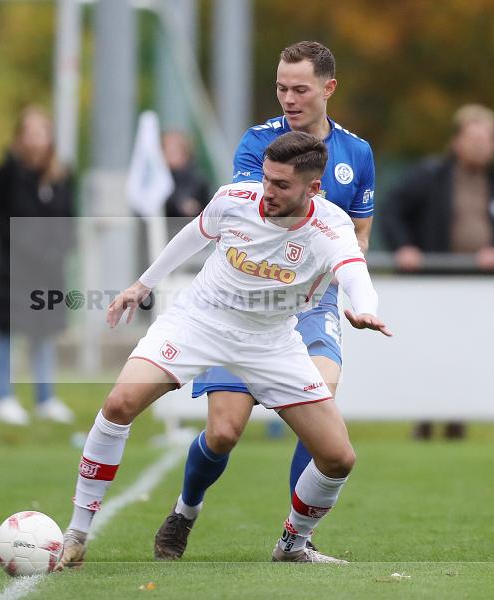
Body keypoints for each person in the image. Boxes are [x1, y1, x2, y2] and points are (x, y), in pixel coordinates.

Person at [57, 132, 390, 567]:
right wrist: (142, 285)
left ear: (313, 189)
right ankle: (76, 535)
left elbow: (354, 272)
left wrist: (365, 309)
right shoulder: (235, 198)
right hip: (199, 320)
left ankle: (292, 544)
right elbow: (192, 237)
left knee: (338, 457)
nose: (267, 192)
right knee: (120, 403)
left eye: (281, 186)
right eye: (267, 179)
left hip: (271, 341)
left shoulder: (330, 227)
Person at [153, 40, 376, 561]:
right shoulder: (257, 144)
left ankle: (296, 540)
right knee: (225, 431)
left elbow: (360, 232)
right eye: (281, 88)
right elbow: (257, 221)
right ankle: (186, 509)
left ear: (329, 88)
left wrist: (350, 280)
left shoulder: (358, 154)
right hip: (246, 305)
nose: (289, 98)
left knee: (320, 410)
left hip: (313, 308)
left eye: (300, 89)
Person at [381, 104, 494, 440]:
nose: (482, 145)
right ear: (457, 140)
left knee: (466, 354)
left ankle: (457, 420)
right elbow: (392, 210)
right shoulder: (431, 175)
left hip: (477, 288)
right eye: (475, 138)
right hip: (433, 285)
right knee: (430, 353)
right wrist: (404, 247)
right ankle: (424, 420)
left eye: (488, 139)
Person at [0, 107, 76, 426]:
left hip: (48, 269)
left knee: (44, 331)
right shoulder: (6, 173)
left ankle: (45, 398)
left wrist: (60, 247)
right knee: (6, 329)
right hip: (14, 267)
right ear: (20, 138)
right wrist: (18, 240)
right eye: (30, 133)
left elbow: (68, 219)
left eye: (42, 132)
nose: (37, 140)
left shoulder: (62, 175)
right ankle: (3, 397)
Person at [162, 130, 211, 237]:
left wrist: (182, 204)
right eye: (167, 151)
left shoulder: (197, 178)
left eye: (174, 151)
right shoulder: (158, 178)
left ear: (185, 153)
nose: (169, 156)